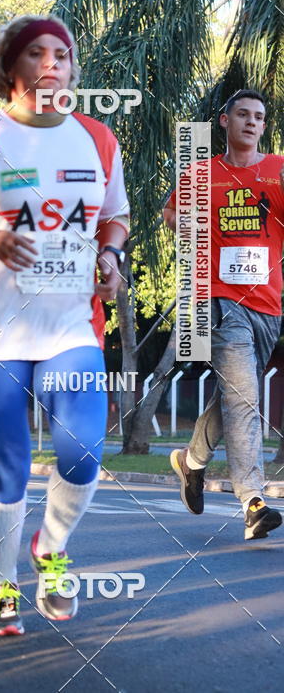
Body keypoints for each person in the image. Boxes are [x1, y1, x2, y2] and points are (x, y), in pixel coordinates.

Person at [0, 14, 130, 635]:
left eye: (61, 55)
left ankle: (52, 546)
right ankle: (1, 582)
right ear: (10, 70)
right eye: (35, 53)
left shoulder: (98, 139)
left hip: (73, 327)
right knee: (8, 467)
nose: (50, 64)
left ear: (71, 70)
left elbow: (113, 217)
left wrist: (111, 257)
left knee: (84, 451)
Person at [163, 89, 284, 540]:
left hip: (269, 306)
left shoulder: (277, 171)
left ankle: (190, 462)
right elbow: (170, 214)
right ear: (224, 121)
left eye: (259, 117)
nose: (252, 122)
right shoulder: (202, 173)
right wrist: (190, 222)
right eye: (243, 115)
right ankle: (253, 501)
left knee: (237, 395)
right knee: (245, 400)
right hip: (220, 302)